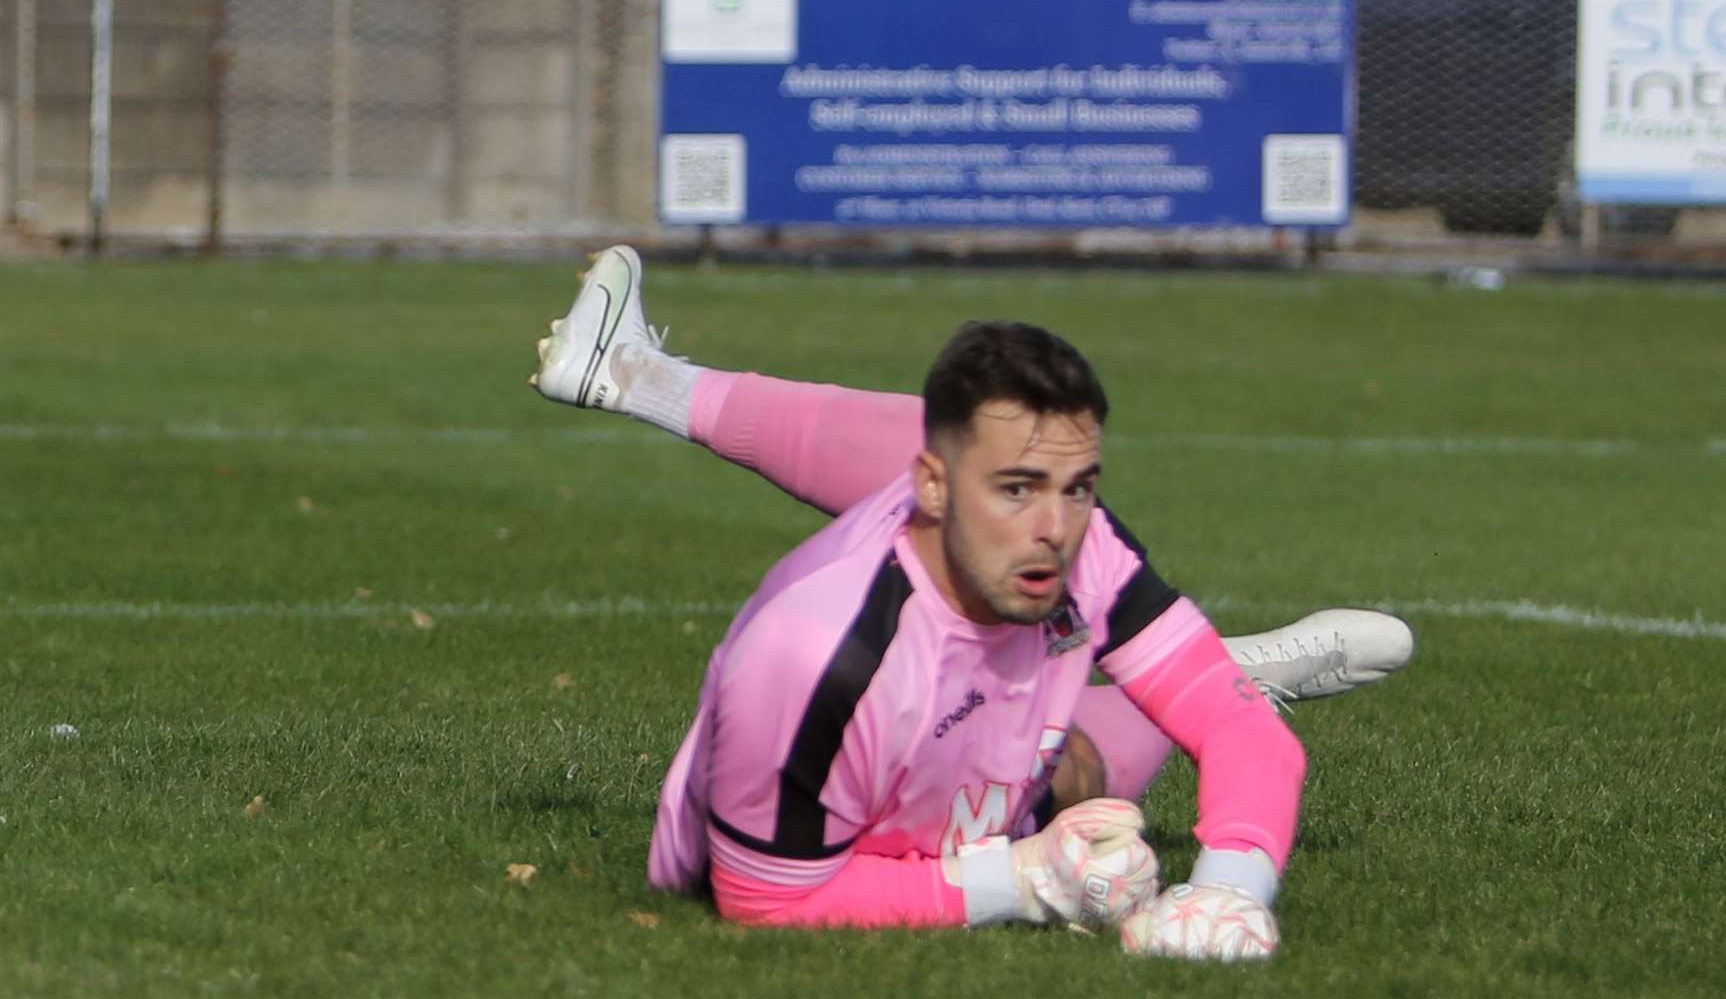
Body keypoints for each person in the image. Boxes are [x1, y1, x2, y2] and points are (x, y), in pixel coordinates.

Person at [527, 247, 1415, 960]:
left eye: (1079, 489)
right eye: (1020, 490)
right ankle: (635, 374)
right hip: (844, 815)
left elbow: (1247, 740)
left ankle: (634, 372)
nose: (1057, 528)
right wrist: (1020, 882)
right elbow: (766, 901)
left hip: (980, 758)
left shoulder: (1078, 546)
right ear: (935, 489)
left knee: (1082, 776)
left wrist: (1228, 892)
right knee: (1064, 785)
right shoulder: (815, 656)